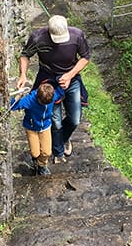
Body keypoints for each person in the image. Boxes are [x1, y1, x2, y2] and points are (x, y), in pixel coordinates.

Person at [16, 15, 91, 164]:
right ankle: (58, 151)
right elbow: (25, 55)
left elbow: (85, 57)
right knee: (55, 121)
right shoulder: (38, 38)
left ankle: (63, 139)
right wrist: (23, 75)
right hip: (48, 80)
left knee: (75, 119)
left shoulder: (76, 35)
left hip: (71, 78)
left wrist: (69, 75)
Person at [10, 82, 64, 176]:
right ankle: (35, 159)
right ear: (38, 98)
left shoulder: (52, 96)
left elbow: (61, 91)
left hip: (46, 126)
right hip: (31, 127)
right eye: (41, 103)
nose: (44, 105)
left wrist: (66, 81)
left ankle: (41, 165)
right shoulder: (30, 100)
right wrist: (19, 94)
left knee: (47, 152)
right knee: (35, 153)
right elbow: (13, 106)